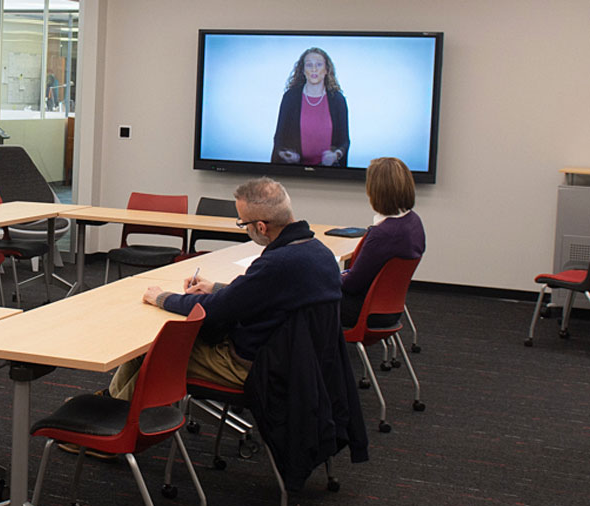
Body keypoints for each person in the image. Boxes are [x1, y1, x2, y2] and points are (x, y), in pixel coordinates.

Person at [111, 177, 343, 399]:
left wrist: (162, 297)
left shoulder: (276, 263)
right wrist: (215, 287)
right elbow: (261, 295)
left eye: (242, 223)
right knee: (157, 349)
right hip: (297, 362)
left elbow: (215, 309)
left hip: (251, 365)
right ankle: (111, 407)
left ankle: (112, 425)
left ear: (261, 227)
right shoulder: (318, 252)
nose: (243, 227)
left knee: (155, 353)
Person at [340, 157, 425, 328]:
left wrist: (326, 276)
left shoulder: (383, 234)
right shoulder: (413, 222)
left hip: (363, 310)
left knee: (300, 293)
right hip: (386, 308)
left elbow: (352, 285)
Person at [272, 47, 349, 167]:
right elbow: (279, 138)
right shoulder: (290, 98)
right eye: (309, 65)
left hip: (329, 172)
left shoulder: (337, 100)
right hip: (294, 170)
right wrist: (284, 154)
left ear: (326, 70)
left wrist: (336, 155)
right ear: (302, 70)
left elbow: (344, 141)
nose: (314, 69)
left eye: (319, 64)